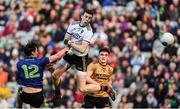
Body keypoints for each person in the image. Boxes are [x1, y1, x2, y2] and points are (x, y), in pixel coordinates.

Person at [52, 9, 116, 101]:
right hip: (71, 54)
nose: (87, 19)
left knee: (82, 88)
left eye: (89, 18)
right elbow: (65, 39)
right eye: (86, 17)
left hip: (81, 59)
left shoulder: (89, 31)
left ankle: (106, 88)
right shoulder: (73, 24)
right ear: (82, 16)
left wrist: (70, 43)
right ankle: (57, 94)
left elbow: (82, 49)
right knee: (55, 75)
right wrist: (69, 44)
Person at [16, 40, 69, 108]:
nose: (38, 52)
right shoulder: (40, 61)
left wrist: (42, 68)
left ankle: (19, 106)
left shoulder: (19, 64)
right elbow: (57, 56)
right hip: (37, 95)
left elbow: (28, 72)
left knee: (20, 89)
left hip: (25, 95)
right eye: (36, 51)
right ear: (32, 52)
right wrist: (67, 47)